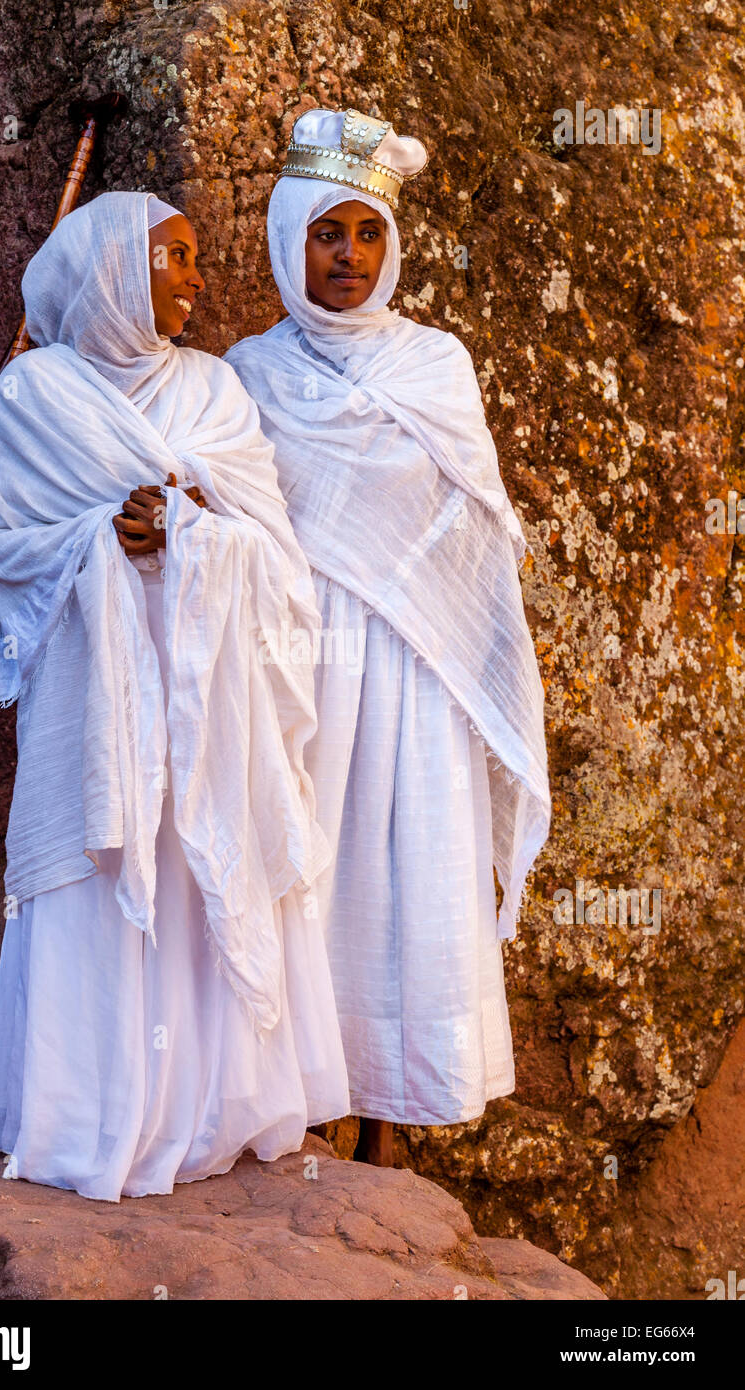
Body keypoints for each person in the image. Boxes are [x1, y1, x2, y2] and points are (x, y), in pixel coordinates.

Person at [0, 190, 350, 1201]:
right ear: (114, 272)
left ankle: (201, 1105)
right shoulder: (32, 394)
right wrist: (103, 538)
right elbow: (0, 542)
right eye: (172, 258)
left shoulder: (213, 392)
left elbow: (272, 546)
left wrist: (189, 524)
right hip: (88, 698)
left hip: (208, 704)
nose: (196, 278)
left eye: (195, 258)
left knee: (184, 872)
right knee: (98, 874)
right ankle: (88, 1112)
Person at [225, 109, 551, 1166]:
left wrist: (419, 596)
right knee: (308, 865)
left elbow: (477, 528)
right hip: (298, 665)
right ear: (287, 242)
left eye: (367, 234)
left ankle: (391, 1122)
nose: (349, 257)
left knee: (404, 874)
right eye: (328, 234)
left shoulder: (434, 365)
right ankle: (306, 1095)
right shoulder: (247, 373)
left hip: (415, 669)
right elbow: (227, 511)